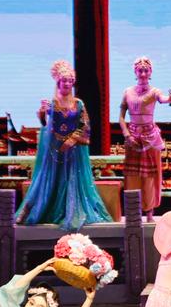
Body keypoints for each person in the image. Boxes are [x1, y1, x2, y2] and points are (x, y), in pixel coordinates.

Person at [17, 60, 111, 230]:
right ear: (58, 82)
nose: (66, 84)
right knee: (49, 180)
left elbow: (85, 125)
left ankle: (71, 211)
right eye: (63, 81)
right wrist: (42, 113)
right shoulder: (52, 103)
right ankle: (37, 210)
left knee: (72, 181)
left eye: (69, 81)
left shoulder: (78, 103)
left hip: (73, 150)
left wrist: (73, 139)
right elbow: (45, 124)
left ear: (72, 82)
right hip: (55, 150)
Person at [118, 55, 171, 218]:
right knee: (132, 176)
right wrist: (127, 135)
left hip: (150, 137)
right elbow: (121, 117)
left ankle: (149, 212)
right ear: (135, 72)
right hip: (132, 137)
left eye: (146, 70)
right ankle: (134, 212)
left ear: (150, 72)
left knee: (149, 176)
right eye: (140, 70)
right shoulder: (127, 92)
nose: (143, 74)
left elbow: (162, 99)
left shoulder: (154, 91)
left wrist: (170, 99)